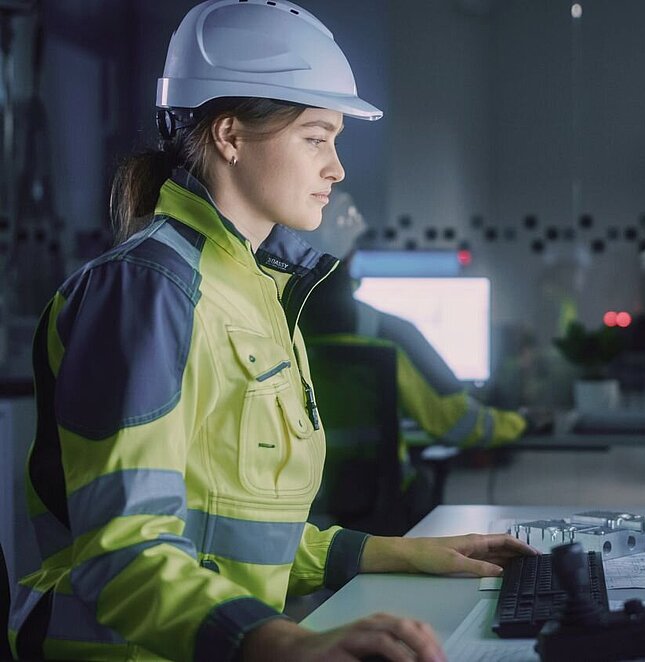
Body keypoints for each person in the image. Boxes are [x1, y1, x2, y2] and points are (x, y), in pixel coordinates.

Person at [9, 2, 534, 660]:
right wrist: (283, 643)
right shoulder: (149, 291)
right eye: (316, 137)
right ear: (229, 136)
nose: (336, 168)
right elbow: (126, 551)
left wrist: (402, 552)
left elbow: (239, 534)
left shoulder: (255, 292)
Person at [300, 197, 544, 526]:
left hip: (294, 515)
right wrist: (522, 422)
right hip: (375, 518)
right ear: (350, 256)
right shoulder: (390, 331)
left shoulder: (268, 324)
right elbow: (457, 424)